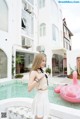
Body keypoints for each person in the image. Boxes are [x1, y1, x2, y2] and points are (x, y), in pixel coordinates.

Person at [28, 53, 50, 119]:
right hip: (40, 97)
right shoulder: (33, 72)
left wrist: (45, 76)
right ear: (38, 60)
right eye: (43, 61)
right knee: (39, 116)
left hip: (45, 95)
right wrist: (38, 78)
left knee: (41, 116)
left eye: (45, 61)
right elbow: (29, 89)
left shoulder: (41, 70)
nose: (44, 62)